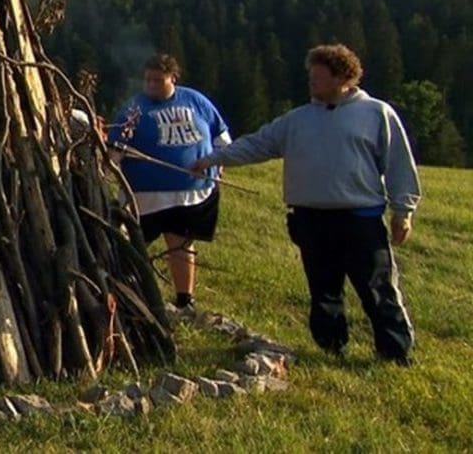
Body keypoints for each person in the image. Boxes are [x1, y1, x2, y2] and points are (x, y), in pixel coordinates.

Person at [191, 44, 420, 365]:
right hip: (310, 220)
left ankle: (395, 352)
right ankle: (331, 347)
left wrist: (403, 211)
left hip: (360, 219)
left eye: (318, 77)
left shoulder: (375, 113)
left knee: (377, 289)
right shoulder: (297, 120)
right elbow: (258, 144)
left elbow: (398, 163)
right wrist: (212, 159)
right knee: (324, 289)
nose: (311, 82)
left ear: (343, 77)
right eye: (310, 76)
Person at [108, 54, 230, 310]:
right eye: (147, 80)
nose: (151, 85)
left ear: (173, 78)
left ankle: (185, 299)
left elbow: (220, 138)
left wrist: (219, 164)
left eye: (157, 80)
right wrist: (110, 164)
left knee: (182, 244)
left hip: (192, 193)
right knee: (132, 248)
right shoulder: (135, 109)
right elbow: (116, 149)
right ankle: (128, 298)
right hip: (146, 197)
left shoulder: (196, 101)